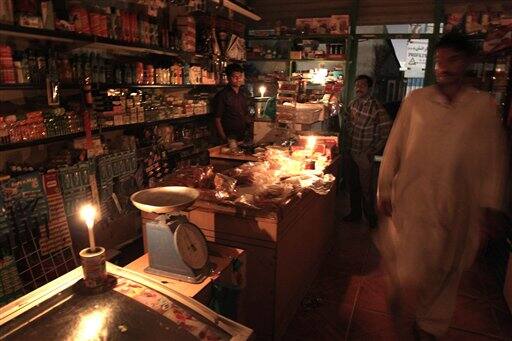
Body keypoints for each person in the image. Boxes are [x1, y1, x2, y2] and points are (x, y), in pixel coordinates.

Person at [375, 32, 509, 339]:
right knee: (408, 271)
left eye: (453, 59)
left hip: (458, 206)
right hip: (414, 200)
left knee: (447, 271)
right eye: (440, 60)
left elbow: (493, 159)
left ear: (468, 63)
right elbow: (394, 146)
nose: (444, 67)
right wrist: (385, 187)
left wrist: (490, 207)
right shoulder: (417, 102)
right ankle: (402, 305)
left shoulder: (482, 108)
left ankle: (429, 328)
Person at [343, 74, 392, 228]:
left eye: (362, 85)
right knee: (353, 184)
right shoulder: (353, 104)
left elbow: (386, 130)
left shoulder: (376, 108)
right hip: (351, 151)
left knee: (367, 188)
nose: (358, 88)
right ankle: (355, 214)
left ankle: (371, 218)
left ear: (370, 88)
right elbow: (347, 125)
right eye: (357, 85)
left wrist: (373, 150)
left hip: (364, 154)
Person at [213, 63, 251, 143]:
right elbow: (217, 119)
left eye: (240, 76)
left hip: (242, 135)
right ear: (228, 78)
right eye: (235, 77)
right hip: (229, 136)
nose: (238, 79)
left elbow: (246, 115)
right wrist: (224, 138)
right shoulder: (222, 95)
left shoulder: (243, 93)